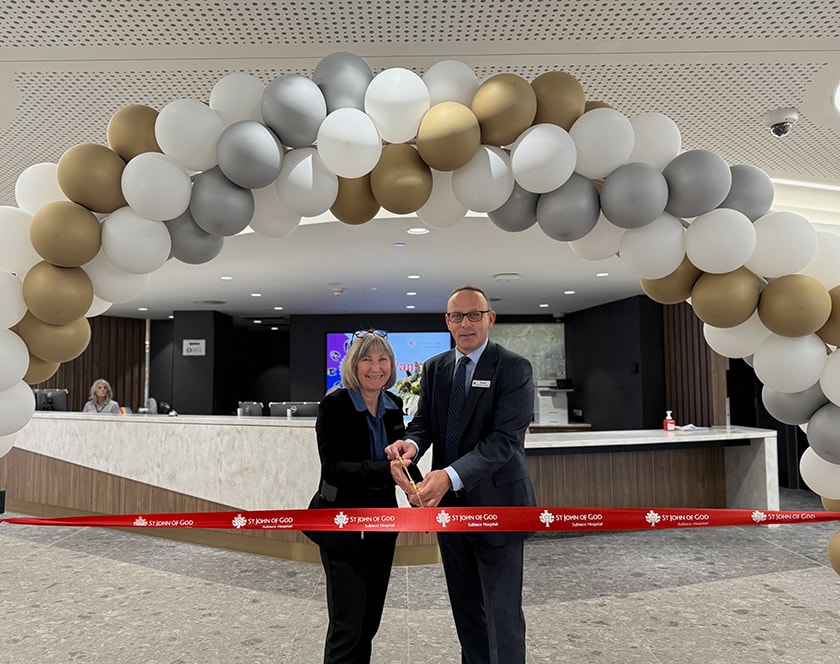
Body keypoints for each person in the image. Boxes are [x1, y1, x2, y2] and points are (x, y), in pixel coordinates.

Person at [385, 285, 535, 664]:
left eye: (473, 315)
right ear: (447, 321)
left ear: (490, 318)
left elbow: (504, 441)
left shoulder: (514, 367)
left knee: (501, 614)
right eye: (456, 316)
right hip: (450, 510)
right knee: (466, 609)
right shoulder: (436, 367)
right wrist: (411, 446)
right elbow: (423, 424)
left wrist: (448, 475)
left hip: (498, 508)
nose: (465, 324)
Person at [306, 329, 422, 664]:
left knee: (369, 623)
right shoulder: (334, 405)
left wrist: (419, 491)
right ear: (353, 365)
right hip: (342, 528)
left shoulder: (393, 406)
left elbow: (400, 461)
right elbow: (334, 468)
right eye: (367, 359)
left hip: (382, 528)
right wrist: (385, 472)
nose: (376, 366)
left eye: (383, 358)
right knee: (347, 626)